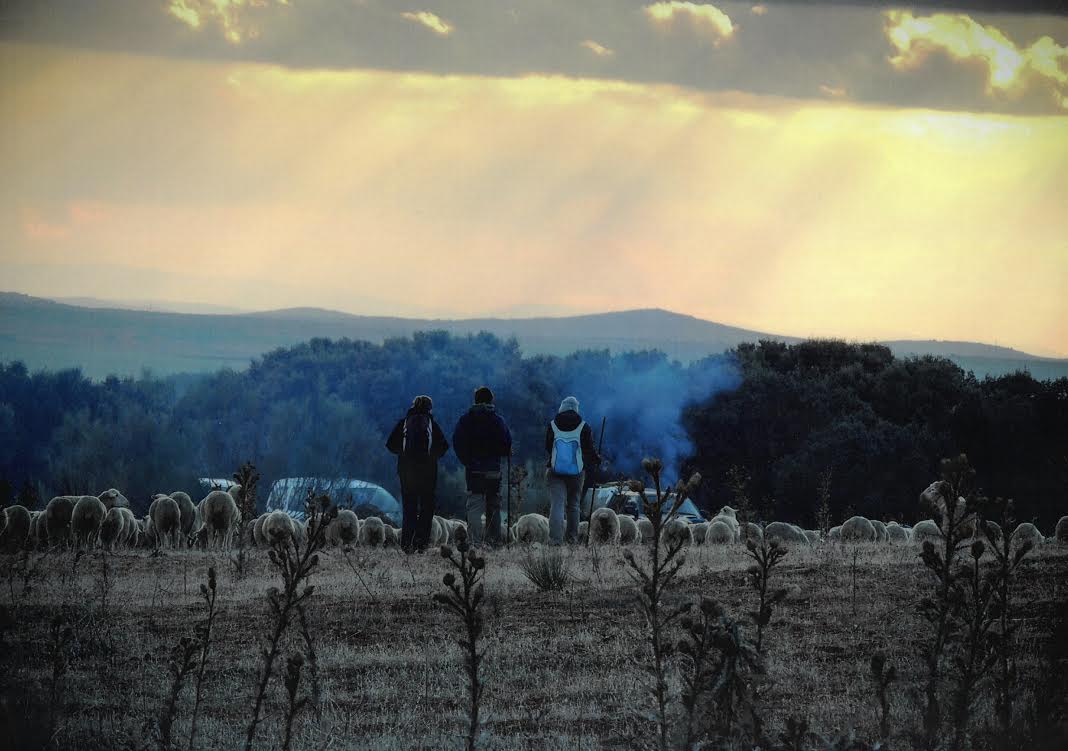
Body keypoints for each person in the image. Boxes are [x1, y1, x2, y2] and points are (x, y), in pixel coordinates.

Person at [386, 395, 449, 553]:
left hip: (407, 472)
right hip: (428, 473)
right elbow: (444, 446)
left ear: (413, 405)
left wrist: (404, 455)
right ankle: (421, 544)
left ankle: (407, 544)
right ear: (430, 408)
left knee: (409, 507)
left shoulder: (404, 423)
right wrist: (430, 458)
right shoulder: (432, 424)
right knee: (427, 508)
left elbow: (390, 444)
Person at [452, 386, 512, 547]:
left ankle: (475, 542)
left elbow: (457, 442)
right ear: (491, 400)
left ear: (475, 400)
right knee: (494, 505)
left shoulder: (466, 420)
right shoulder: (498, 420)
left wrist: (467, 461)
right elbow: (507, 444)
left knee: (474, 506)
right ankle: (493, 542)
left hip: (474, 471)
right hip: (493, 470)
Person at [545, 396, 601, 544]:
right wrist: (596, 459)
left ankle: (555, 540)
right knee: (574, 505)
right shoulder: (584, 426)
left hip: (555, 471)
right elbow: (589, 450)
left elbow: (547, 446)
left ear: (562, 407)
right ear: (576, 408)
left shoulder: (552, 424)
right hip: (576, 472)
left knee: (557, 504)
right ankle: (571, 540)